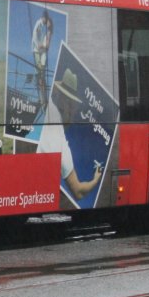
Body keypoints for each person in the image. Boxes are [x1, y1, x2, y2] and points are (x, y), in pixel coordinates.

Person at [38, 68, 104, 200]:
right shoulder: (59, 138)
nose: (74, 115)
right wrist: (95, 180)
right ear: (68, 104)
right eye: (74, 107)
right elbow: (78, 191)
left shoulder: (48, 106)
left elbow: (41, 83)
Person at [31, 11, 53, 103]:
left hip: (41, 53)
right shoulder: (39, 24)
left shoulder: (47, 30)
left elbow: (46, 46)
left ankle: (42, 98)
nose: (46, 22)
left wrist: (42, 46)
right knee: (39, 74)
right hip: (37, 51)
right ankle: (41, 98)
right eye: (46, 20)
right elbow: (35, 36)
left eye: (47, 21)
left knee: (40, 75)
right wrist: (38, 45)